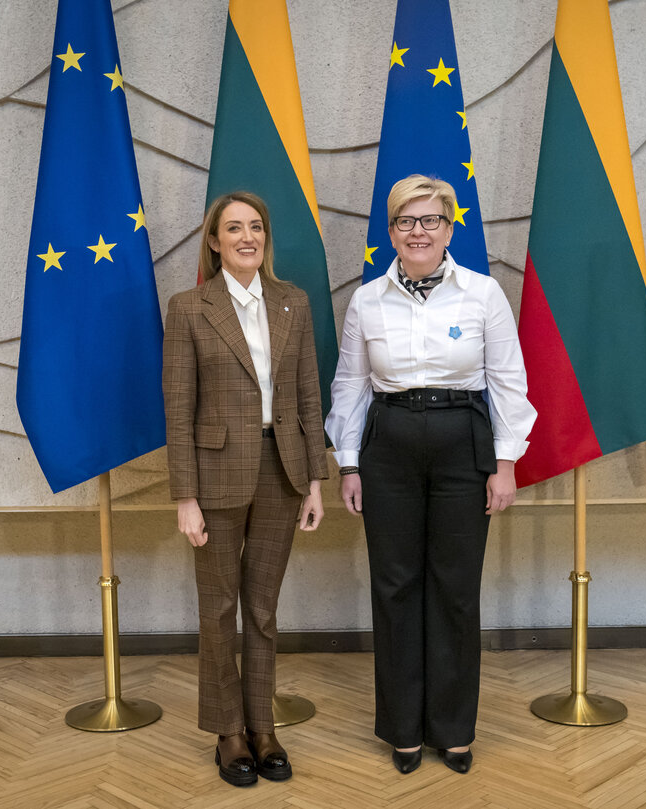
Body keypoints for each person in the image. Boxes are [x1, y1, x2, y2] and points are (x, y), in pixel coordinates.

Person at [326, 175, 536, 775]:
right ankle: (403, 729)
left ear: (449, 228)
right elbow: (351, 385)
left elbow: (508, 380)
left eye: (430, 221)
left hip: (462, 447)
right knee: (394, 588)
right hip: (387, 446)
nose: (417, 232)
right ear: (390, 231)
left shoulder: (483, 294)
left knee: (454, 587)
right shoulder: (368, 300)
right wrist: (348, 462)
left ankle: (453, 727)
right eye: (405, 222)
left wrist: (505, 464)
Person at [163, 191, 328, 788]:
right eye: (233, 228)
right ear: (214, 241)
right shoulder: (189, 308)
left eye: (255, 226)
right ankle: (228, 731)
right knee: (219, 607)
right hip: (214, 477)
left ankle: (263, 726)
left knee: (262, 609)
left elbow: (309, 396)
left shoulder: (294, 303)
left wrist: (315, 479)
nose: (246, 237)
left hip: (281, 470)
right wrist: (185, 496)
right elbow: (178, 410)